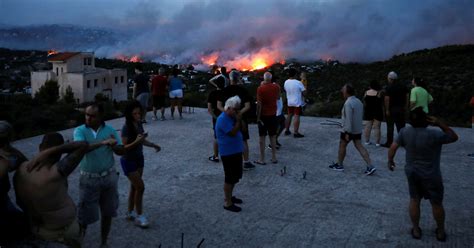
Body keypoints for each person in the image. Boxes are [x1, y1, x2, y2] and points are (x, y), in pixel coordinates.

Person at [388, 107, 458, 241]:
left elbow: (393, 148)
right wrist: (439, 123)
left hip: (412, 172)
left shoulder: (404, 132)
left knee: (414, 200)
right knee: (436, 203)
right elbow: (453, 137)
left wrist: (390, 160)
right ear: (426, 120)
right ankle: (441, 232)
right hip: (431, 174)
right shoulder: (434, 134)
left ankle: (416, 230)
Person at [14, 133, 89, 247]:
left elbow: (19, 201)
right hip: (60, 232)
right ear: (60, 154)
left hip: (39, 230)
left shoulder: (21, 168)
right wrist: (52, 150)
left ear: (40, 147)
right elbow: (84, 145)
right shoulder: (55, 173)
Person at [73, 103, 125, 247]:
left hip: (109, 177)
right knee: (84, 216)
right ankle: (79, 243)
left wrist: (115, 146)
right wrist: (103, 142)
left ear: (101, 116)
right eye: (86, 115)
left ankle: (103, 243)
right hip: (88, 179)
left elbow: (121, 151)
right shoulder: (80, 130)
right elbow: (81, 148)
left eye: (92, 116)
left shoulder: (110, 130)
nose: (88, 118)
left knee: (108, 212)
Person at [120, 101, 161, 228]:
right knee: (141, 187)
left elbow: (142, 141)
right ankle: (140, 216)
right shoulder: (126, 127)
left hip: (139, 158)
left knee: (134, 187)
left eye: (139, 113)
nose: (138, 115)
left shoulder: (138, 124)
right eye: (135, 113)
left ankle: (130, 212)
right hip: (128, 160)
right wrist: (137, 140)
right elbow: (124, 147)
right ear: (129, 114)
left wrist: (153, 145)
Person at [329, 84, 376, 175]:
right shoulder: (358, 101)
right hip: (357, 129)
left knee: (342, 145)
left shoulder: (348, 103)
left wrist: (347, 132)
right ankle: (370, 165)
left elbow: (348, 119)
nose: (342, 91)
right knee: (360, 146)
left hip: (349, 129)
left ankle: (339, 165)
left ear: (346, 92)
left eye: (343, 90)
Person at [217, 70, 256, 170]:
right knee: (243, 139)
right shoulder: (243, 90)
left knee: (228, 137)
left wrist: (228, 113)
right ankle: (246, 162)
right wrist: (238, 114)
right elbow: (247, 106)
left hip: (227, 119)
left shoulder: (224, 90)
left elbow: (219, 106)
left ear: (229, 79)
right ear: (238, 78)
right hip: (241, 119)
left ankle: (231, 160)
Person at [0, 121, 29, 243]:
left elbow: (24, 161)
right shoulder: (5, 160)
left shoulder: (7, 153)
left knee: (20, 222)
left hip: (3, 198)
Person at [216, 96, 244, 212]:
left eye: (238, 110)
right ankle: (227, 202)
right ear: (228, 108)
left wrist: (239, 120)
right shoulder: (223, 119)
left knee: (235, 177)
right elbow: (232, 132)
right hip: (228, 153)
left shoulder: (231, 117)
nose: (237, 112)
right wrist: (238, 120)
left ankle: (230, 196)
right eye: (235, 110)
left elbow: (243, 129)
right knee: (229, 178)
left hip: (236, 151)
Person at [255, 72, 279, 165]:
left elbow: (259, 104)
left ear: (264, 79)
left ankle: (262, 159)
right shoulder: (276, 87)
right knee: (272, 136)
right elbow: (277, 97)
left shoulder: (260, 89)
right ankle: (274, 157)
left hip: (263, 116)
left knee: (262, 138)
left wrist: (258, 117)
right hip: (273, 114)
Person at [382, 71, 409, 147]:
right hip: (401, 108)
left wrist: (387, 110)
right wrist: (406, 107)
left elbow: (387, 99)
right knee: (401, 126)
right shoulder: (403, 86)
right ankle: (403, 142)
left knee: (390, 126)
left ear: (390, 79)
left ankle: (389, 142)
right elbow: (407, 96)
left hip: (391, 109)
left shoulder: (389, 87)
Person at [207, 76, 225, 163]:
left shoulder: (212, 93)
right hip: (227, 117)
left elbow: (209, 109)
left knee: (217, 137)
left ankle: (216, 156)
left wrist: (216, 118)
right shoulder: (227, 92)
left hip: (217, 118)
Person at [284, 68, 306, 138]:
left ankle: (287, 130)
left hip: (289, 101)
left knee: (289, 115)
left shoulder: (286, 82)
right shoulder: (298, 82)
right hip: (297, 102)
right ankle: (296, 133)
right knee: (296, 116)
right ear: (295, 74)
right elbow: (305, 93)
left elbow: (285, 90)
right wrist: (304, 85)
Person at [363, 80, 384, 146]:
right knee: (377, 127)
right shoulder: (379, 93)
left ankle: (367, 141)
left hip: (368, 111)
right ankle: (377, 143)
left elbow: (364, 101)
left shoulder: (366, 92)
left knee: (367, 127)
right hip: (377, 111)